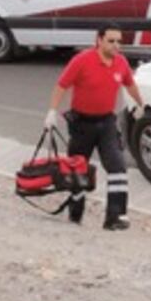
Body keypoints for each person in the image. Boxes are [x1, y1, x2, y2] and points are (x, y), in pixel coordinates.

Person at [44, 24, 145, 231]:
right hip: (82, 124)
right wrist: (52, 111)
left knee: (117, 167)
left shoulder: (121, 63)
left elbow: (130, 84)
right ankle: (75, 213)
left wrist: (140, 104)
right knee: (77, 172)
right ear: (99, 40)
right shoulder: (82, 60)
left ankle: (114, 217)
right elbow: (61, 85)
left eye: (119, 41)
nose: (116, 45)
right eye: (111, 41)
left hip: (107, 123)